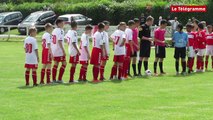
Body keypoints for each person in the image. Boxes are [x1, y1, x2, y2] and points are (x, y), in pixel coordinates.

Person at [51, 19, 66, 83]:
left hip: (54, 49)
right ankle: (59, 79)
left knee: (56, 64)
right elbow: (59, 41)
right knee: (64, 63)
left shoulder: (54, 30)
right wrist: (63, 50)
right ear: (59, 24)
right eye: (62, 23)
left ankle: (54, 79)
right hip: (59, 50)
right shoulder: (60, 30)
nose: (63, 24)